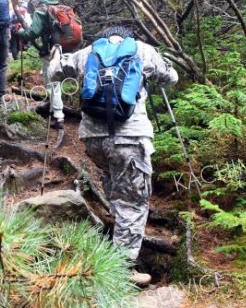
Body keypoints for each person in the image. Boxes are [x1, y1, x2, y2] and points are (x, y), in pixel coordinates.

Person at [47, 25, 178, 286]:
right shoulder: (143, 50)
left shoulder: (87, 53)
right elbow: (170, 78)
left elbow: (54, 72)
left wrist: (54, 55)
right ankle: (122, 268)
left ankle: (120, 230)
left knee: (114, 181)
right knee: (133, 198)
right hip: (130, 138)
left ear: (104, 38)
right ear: (127, 37)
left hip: (93, 138)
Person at [17, 0, 64, 129]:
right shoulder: (54, 6)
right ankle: (56, 112)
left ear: (34, 2)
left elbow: (34, 32)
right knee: (55, 81)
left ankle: (58, 116)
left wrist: (21, 33)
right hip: (60, 48)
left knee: (52, 82)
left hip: (50, 51)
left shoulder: (40, 11)